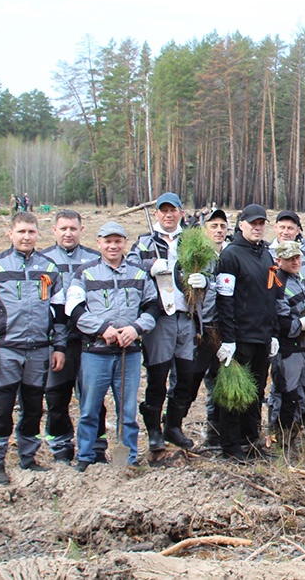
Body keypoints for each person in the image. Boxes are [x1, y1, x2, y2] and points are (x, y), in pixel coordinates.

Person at [0, 212, 66, 484]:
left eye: (31, 232)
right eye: (21, 232)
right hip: (5, 351)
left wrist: (59, 347)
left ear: (39, 235)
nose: (26, 237)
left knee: (34, 407)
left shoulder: (48, 269)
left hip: (39, 351)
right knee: (2, 409)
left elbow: (58, 312)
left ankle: (28, 458)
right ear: (10, 234)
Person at [66, 221, 159, 471]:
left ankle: (127, 459)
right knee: (89, 409)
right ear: (99, 243)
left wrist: (136, 329)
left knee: (127, 411)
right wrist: (101, 329)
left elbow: (152, 307)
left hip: (128, 353)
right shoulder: (85, 273)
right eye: (108, 241)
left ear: (124, 243)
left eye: (118, 241)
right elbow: (73, 309)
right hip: (95, 353)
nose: (113, 246)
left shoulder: (138, 273)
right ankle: (85, 456)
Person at [127, 192, 197, 451]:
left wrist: (204, 280)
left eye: (173, 210)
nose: (168, 215)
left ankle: (173, 426)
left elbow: (206, 268)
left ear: (181, 212)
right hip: (160, 318)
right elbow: (130, 270)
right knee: (158, 376)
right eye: (163, 210)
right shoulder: (145, 242)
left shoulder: (191, 240)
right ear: (156, 213)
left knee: (186, 377)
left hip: (188, 316)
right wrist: (150, 266)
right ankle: (154, 431)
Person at [214, 204, 281, 462]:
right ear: (241, 225)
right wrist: (228, 339)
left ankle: (252, 443)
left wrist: (273, 333)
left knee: (255, 395)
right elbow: (225, 300)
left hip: (262, 337)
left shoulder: (266, 255)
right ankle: (231, 447)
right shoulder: (231, 256)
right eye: (252, 223)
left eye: (261, 223)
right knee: (234, 395)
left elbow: (272, 295)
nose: (257, 227)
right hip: (239, 338)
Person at [41, 210, 102, 464]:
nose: (68, 233)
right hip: (57, 342)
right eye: (63, 228)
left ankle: (96, 447)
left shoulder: (94, 259)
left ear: (81, 230)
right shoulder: (42, 261)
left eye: (73, 229)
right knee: (56, 396)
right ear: (54, 230)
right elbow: (42, 301)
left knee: (92, 396)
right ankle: (61, 447)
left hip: (89, 340)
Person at [270, 241, 305, 452]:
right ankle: (282, 444)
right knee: (287, 396)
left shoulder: (296, 279)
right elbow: (280, 323)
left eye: (298, 257)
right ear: (278, 260)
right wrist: (304, 323)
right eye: (290, 259)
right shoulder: (277, 284)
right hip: (288, 350)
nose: (295, 262)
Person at [197, 208, 229, 447]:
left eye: (222, 227)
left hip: (225, 328)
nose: (218, 231)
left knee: (219, 383)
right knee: (188, 382)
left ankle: (216, 435)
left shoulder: (229, 256)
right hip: (201, 328)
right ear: (204, 229)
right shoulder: (196, 256)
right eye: (213, 226)